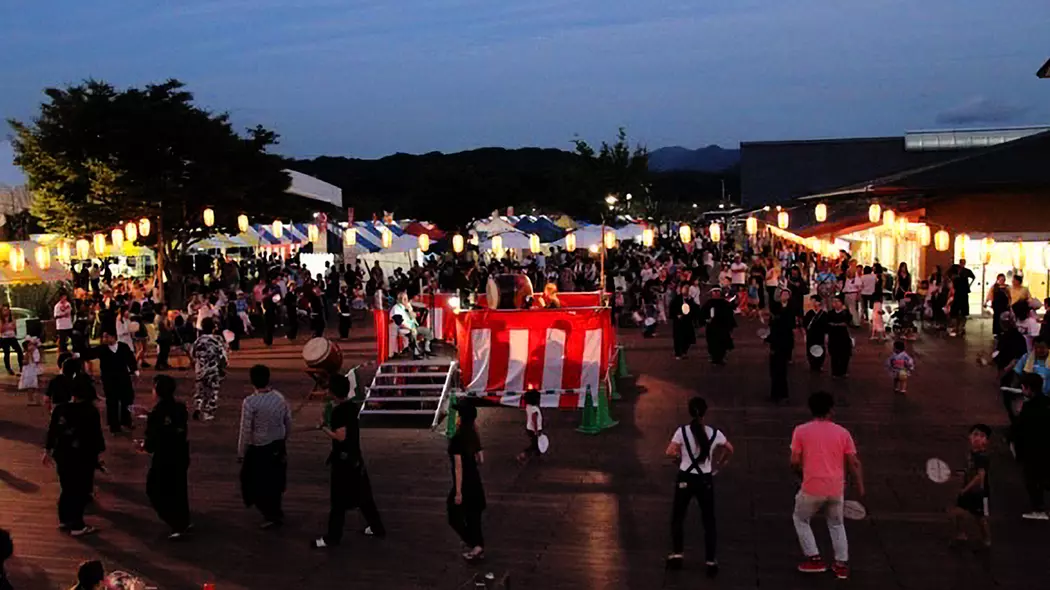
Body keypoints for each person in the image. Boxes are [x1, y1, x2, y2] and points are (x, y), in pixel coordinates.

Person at [791, 391, 864, 580]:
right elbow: (854, 462)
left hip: (812, 486)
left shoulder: (801, 430)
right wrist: (860, 486)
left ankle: (814, 559)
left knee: (801, 519)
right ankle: (840, 565)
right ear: (831, 409)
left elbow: (794, 461)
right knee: (837, 524)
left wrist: (801, 474)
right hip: (835, 488)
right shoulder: (842, 432)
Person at [313, 374, 385, 548]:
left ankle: (333, 537)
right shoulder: (352, 407)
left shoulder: (339, 412)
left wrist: (323, 427)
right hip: (355, 457)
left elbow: (340, 436)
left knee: (338, 503)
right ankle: (377, 527)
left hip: (343, 461)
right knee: (364, 497)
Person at [664, 397, 733, 577]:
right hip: (705, 479)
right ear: (704, 412)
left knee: (678, 517)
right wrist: (720, 463)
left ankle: (677, 553)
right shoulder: (714, 433)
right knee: (708, 520)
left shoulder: (682, 432)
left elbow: (669, 451)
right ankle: (710, 559)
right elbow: (730, 448)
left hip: (685, 476)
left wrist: (679, 460)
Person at [44, 383, 105, 536]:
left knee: (67, 487)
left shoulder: (60, 409)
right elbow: (95, 436)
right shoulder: (90, 411)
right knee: (80, 490)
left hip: (62, 454)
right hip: (82, 455)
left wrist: (48, 450)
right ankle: (77, 524)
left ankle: (65, 519)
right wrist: (98, 455)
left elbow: (52, 431)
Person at [238, 364, 292, 529]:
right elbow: (288, 421)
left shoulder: (250, 402)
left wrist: (241, 451)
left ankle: (270, 513)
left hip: (259, 448)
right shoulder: (279, 398)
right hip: (277, 445)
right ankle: (275, 511)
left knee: (253, 482)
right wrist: (284, 439)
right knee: (275, 481)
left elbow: (245, 429)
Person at [141, 374, 192, 539]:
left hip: (164, 457)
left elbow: (152, 442)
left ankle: (175, 522)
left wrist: (143, 446)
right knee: (178, 487)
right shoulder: (180, 408)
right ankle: (184, 519)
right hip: (180, 453)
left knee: (154, 488)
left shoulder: (157, 414)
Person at [447, 403, 486, 562]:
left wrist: (458, 492)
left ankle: (474, 544)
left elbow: (458, 467)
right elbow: (481, 460)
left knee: (453, 515)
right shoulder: (472, 434)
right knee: (474, 516)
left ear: (461, 418)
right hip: (475, 481)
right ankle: (477, 545)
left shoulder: (457, 438)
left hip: (464, 483)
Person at [81, 330, 138, 434]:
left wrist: (134, 370)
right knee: (112, 402)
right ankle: (114, 426)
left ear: (114, 337)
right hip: (109, 380)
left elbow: (130, 359)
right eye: (103, 337)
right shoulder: (102, 349)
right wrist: (80, 350)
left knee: (127, 400)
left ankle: (126, 421)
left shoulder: (123, 347)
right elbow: (89, 354)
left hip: (123, 378)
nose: (105, 339)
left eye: (107, 337)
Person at [1014, 373, 1050, 520]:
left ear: (1029, 389)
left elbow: (1020, 430)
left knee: (1033, 481)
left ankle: (1038, 508)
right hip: (1046, 449)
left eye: (1023, 388)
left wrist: (1019, 413)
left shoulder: (1028, 408)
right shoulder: (1048, 402)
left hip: (1032, 451)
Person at [951, 424, 992, 548]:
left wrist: (965, 489)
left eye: (982, 436)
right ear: (969, 437)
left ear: (986, 442)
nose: (977, 438)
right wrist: (961, 473)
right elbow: (970, 470)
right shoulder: (971, 454)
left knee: (980, 518)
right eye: (975, 434)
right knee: (958, 512)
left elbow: (980, 477)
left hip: (979, 494)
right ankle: (960, 534)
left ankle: (987, 539)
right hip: (967, 490)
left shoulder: (982, 457)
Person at [189, 318, 229, 422]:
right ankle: (208, 413)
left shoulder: (198, 340)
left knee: (200, 390)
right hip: (213, 369)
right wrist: (223, 366)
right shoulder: (217, 340)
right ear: (213, 328)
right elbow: (222, 356)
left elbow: (192, 353)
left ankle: (198, 406)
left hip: (200, 369)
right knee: (213, 391)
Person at [765, 289, 795, 403]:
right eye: (783, 294)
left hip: (785, 339)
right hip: (776, 340)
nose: (785, 296)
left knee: (782, 369)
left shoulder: (791, 308)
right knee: (774, 369)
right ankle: (775, 392)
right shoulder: (775, 308)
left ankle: (782, 393)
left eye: (787, 294)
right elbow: (771, 324)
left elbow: (791, 324)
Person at [698, 287, 736, 365]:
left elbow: (729, 315)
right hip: (712, 327)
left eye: (718, 291)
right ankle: (714, 357)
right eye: (714, 292)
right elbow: (702, 315)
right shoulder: (708, 303)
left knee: (722, 343)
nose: (716, 293)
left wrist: (730, 327)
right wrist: (705, 320)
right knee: (712, 343)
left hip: (722, 327)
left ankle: (721, 357)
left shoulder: (725, 303)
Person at [390, 291, 433, 357]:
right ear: (400, 299)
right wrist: (410, 328)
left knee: (428, 332)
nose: (406, 300)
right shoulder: (396, 308)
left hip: (413, 327)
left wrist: (410, 310)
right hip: (403, 328)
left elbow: (413, 316)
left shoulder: (407, 307)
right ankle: (416, 353)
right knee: (414, 333)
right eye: (404, 299)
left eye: (406, 299)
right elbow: (399, 323)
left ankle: (427, 349)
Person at [826, 296, 853, 378]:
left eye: (838, 301)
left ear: (842, 303)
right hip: (833, 336)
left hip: (843, 336)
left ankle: (843, 371)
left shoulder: (846, 313)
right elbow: (828, 324)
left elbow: (846, 323)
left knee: (844, 354)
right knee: (834, 354)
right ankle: (835, 372)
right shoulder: (830, 313)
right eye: (834, 301)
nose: (836, 303)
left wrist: (835, 324)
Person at [516, 389, 544, 464]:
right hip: (534, 429)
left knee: (536, 444)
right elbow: (534, 419)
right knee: (534, 445)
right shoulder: (534, 409)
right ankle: (523, 455)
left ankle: (537, 457)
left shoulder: (528, 406)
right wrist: (536, 430)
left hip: (529, 428)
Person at [670, 283, 695, 360]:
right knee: (678, 337)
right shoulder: (676, 299)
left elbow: (693, 309)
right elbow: (672, 309)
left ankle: (684, 351)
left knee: (687, 338)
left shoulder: (690, 299)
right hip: (678, 322)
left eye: (687, 288)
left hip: (687, 321)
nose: (686, 290)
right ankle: (678, 353)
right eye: (684, 288)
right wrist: (676, 315)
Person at [803, 296, 828, 372]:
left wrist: (826, 334)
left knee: (820, 349)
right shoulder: (809, 313)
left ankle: (819, 365)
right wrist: (805, 334)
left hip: (820, 335)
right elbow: (805, 324)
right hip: (810, 334)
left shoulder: (824, 314)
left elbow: (826, 325)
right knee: (810, 349)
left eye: (813, 301)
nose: (812, 303)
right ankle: (812, 364)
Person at [18, 337, 42, 406]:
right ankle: (31, 400)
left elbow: (36, 361)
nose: (31, 346)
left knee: (35, 386)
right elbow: (25, 362)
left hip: (34, 370)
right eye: (29, 345)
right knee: (30, 386)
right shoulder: (26, 354)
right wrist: (28, 355)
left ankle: (37, 400)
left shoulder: (36, 351)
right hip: (28, 372)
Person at [0, 305, 22, 376]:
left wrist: (10, 326)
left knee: (19, 351)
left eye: (7, 310)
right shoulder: (1, 319)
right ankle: (8, 368)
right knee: (7, 353)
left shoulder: (11, 318)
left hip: (12, 337)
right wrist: (4, 325)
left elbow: (14, 327)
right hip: (4, 338)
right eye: (4, 310)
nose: (6, 311)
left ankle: (22, 366)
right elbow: (1, 330)